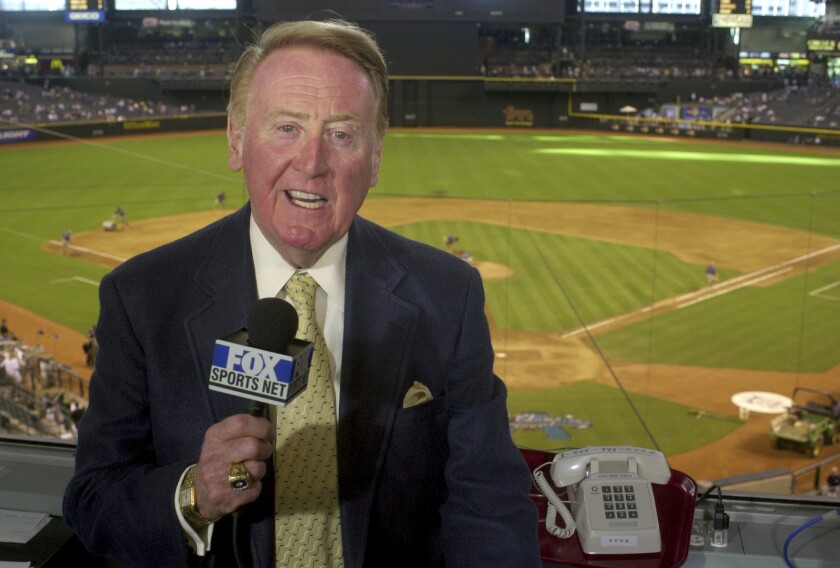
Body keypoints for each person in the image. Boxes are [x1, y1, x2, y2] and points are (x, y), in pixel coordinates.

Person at [62, 19, 541, 568]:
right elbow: (93, 502)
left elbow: (489, 506)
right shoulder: (143, 297)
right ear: (237, 141)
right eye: (286, 127)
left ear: (376, 158)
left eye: (341, 134)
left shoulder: (447, 295)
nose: (312, 164)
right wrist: (194, 493)